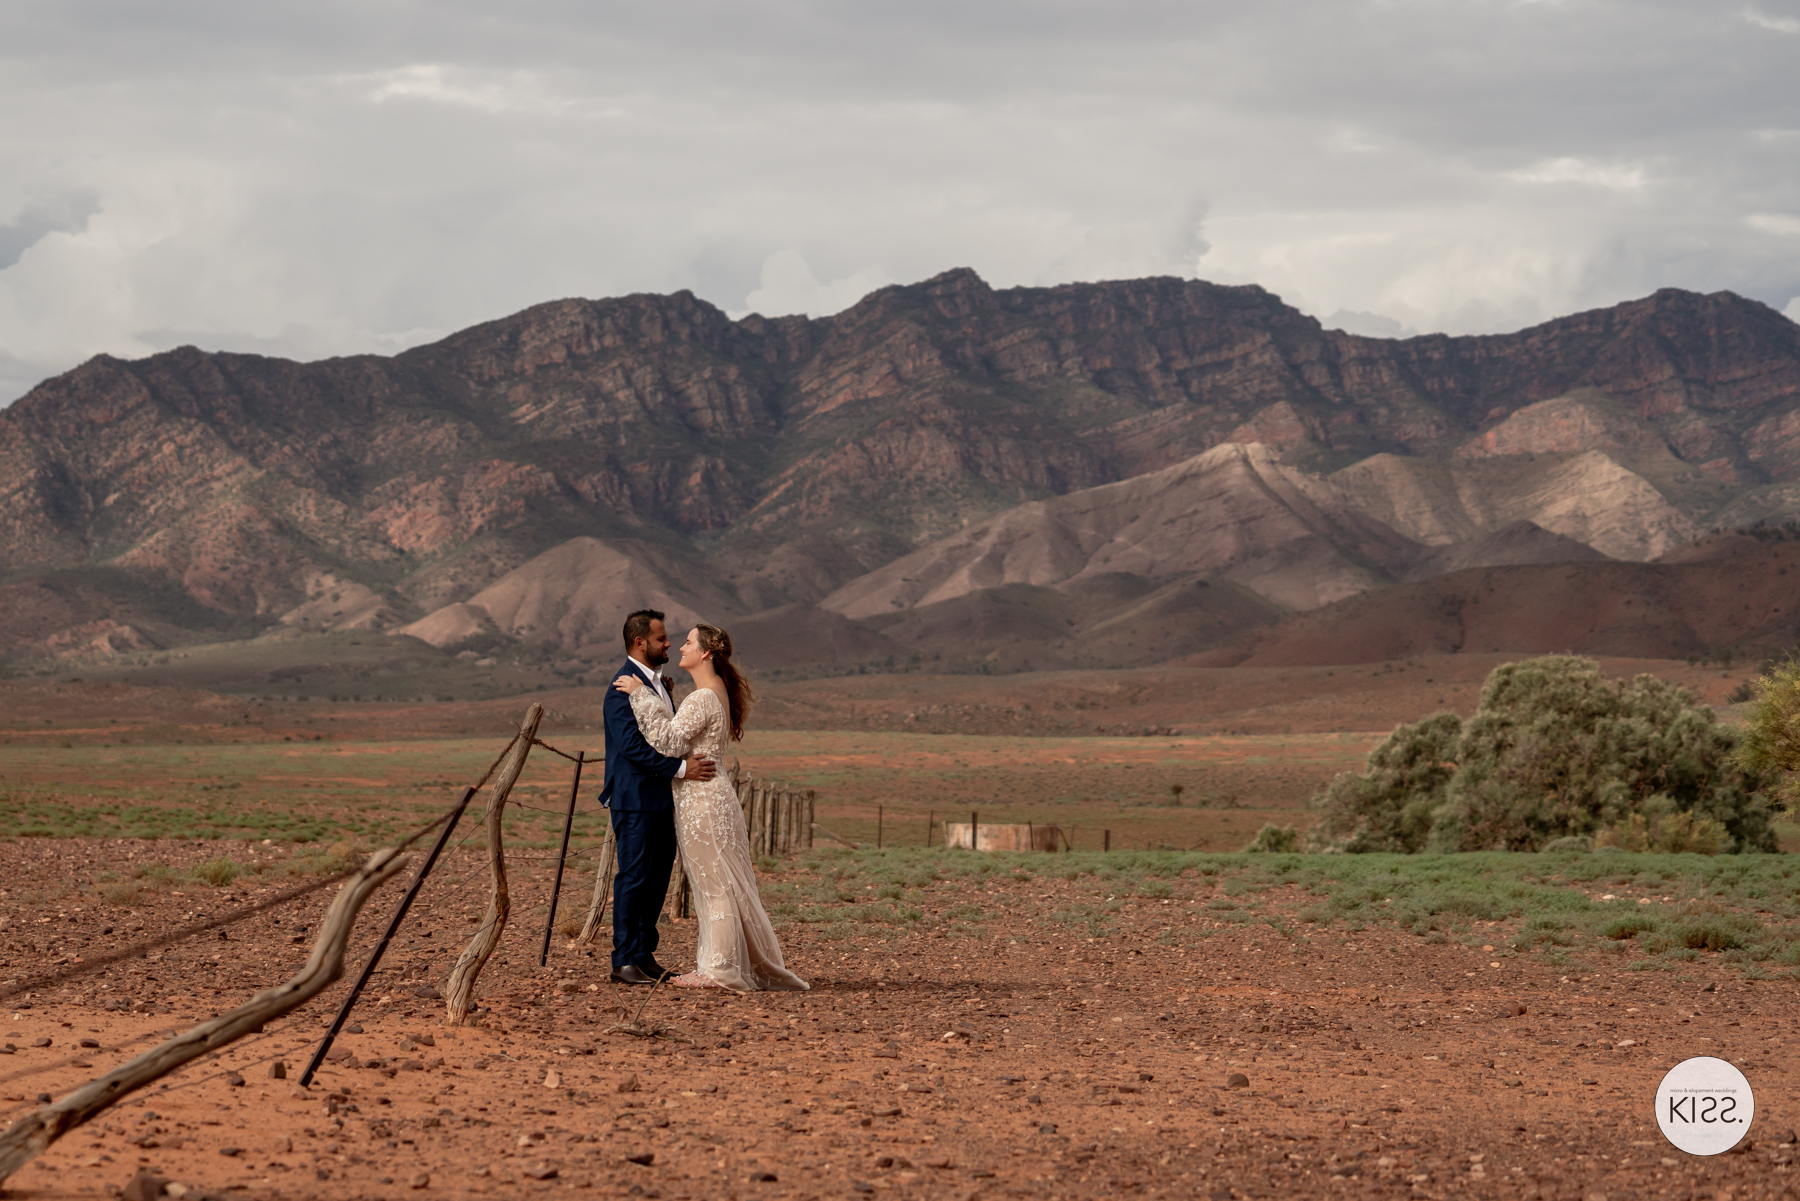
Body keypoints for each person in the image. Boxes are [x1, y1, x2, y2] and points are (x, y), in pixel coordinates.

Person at [613, 622, 808, 993]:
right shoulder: (713, 692)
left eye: (687, 642)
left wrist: (641, 696)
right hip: (710, 797)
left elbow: (669, 742)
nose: (679, 647)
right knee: (722, 882)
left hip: (701, 801)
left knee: (714, 884)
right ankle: (730, 963)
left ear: (705, 652)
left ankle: (719, 969)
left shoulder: (702, 698)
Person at [599, 609, 716, 985]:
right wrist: (682, 770)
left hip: (662, 799)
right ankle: (624, 961)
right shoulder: (622, 686)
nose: (668, 643)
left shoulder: (658, 684)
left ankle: (644, 955)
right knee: (634, 877)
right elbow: (633, 747)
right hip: (634, 800)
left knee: (657, 878)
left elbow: (665, 733)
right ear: (640, 642)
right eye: (662, 638)